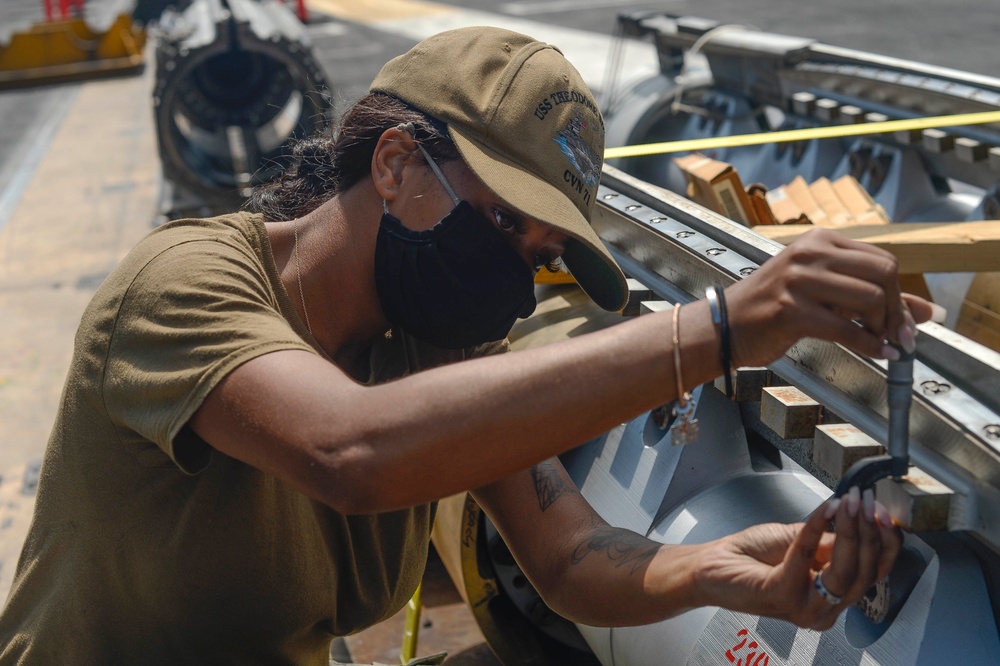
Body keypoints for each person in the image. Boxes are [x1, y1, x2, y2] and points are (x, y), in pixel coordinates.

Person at [0, 26, 931, 664]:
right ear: (397, 164)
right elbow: (350, 451)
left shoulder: (431, 350)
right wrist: (720, 331)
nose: (516, 279)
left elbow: (569, 559)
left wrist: (732, 576)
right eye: (503, 223)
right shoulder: (187, 284)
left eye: (546, 256)